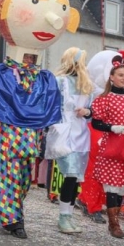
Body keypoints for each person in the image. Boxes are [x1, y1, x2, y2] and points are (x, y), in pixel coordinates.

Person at [0, 0, 78, 239]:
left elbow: (50, 111)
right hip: (7, 137)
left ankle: (9, 210)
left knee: (22, 181)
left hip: (29, 140)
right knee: (5, 176)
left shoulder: (45, 79)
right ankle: (12, 220)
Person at [90, 50, 124, 239]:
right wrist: (111, 127)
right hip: (110, 147)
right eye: (120, 75)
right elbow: (96, 122)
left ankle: (115, 221)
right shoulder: (103, 99)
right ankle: (114, 224)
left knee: (121, 186)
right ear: (112, 77)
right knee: (111, 187)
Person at [49, 47, 94, 234]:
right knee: (71, 174)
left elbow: (92, 111)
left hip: (81, 135)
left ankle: (68, 215)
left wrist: (88, 112)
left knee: (75, 178)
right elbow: (51, 106)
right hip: (64, 134)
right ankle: (63, 217)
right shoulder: (60, 81)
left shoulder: (87, 85)